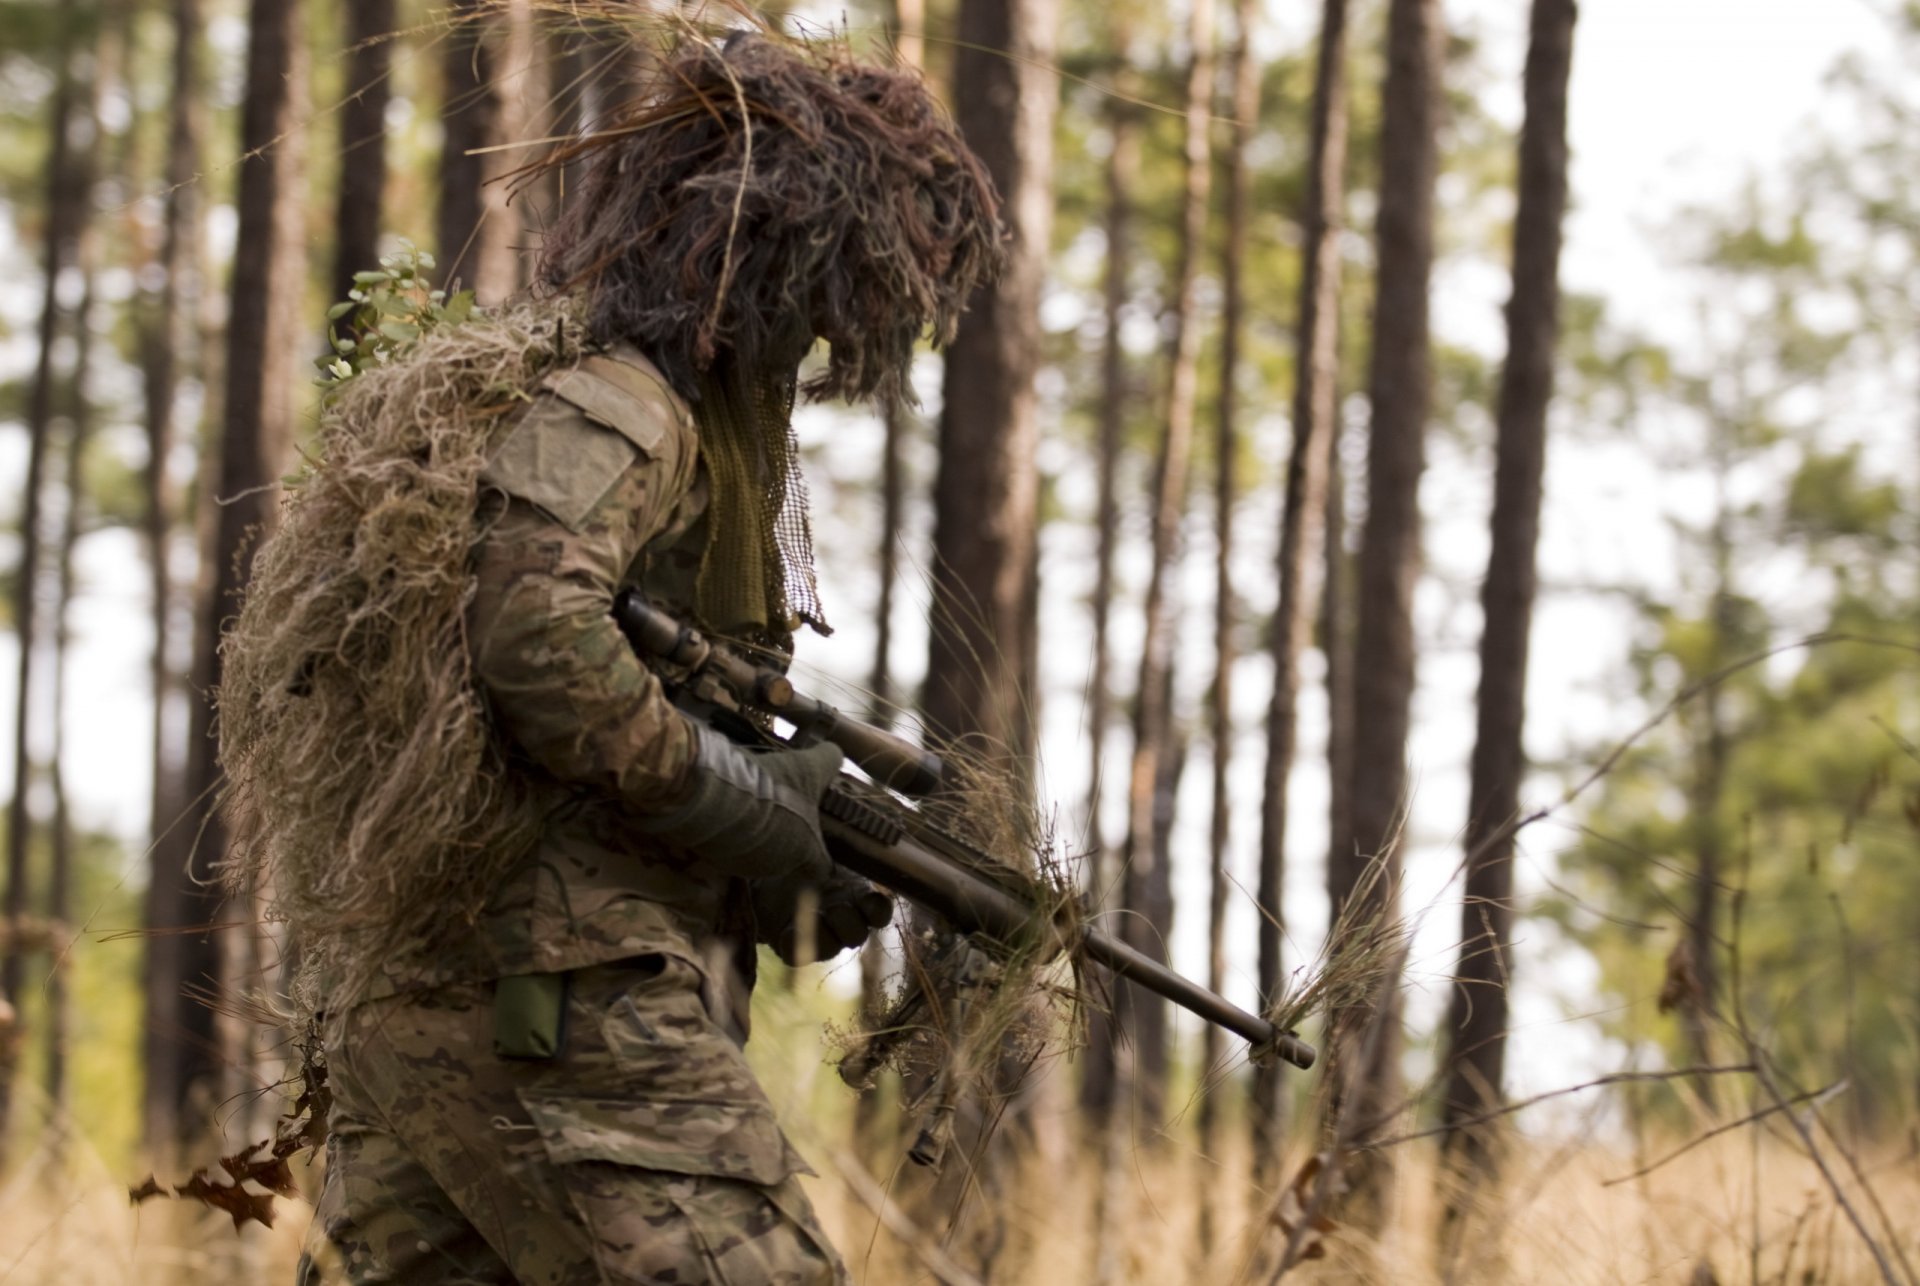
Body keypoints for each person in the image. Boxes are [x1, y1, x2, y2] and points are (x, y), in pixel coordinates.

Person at [261, 30, 1005, 1284]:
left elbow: (599, 713)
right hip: (551, 993)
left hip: (477, 988)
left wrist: (776, 863)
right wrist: (743, 802)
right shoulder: (625, 403)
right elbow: (535, 634)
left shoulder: (686, 419)